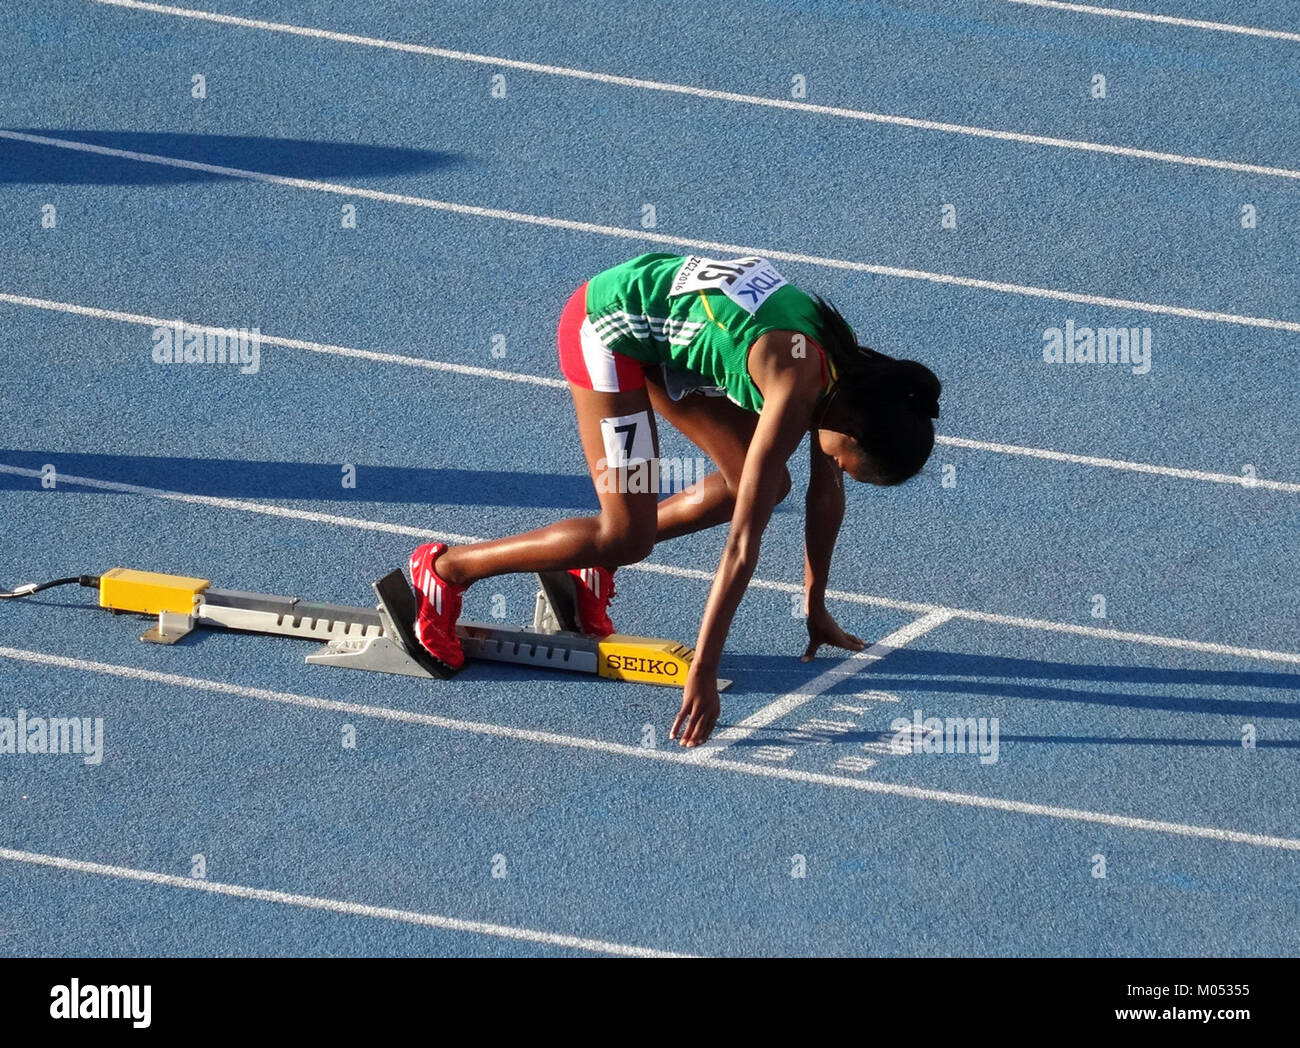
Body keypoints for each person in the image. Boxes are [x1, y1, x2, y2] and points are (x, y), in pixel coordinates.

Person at [407, 253, 940, 747]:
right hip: (608, 331)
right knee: (626, 535)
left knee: (763, 485)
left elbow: (824, 495)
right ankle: (448, 569)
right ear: (849, 430)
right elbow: (741, 547)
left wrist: (815, 603)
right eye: (851, 465)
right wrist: (702, 670)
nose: (841, 471)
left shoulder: (854, 382)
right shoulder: (795, 385)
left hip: (667, 344)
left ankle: (585, 567)